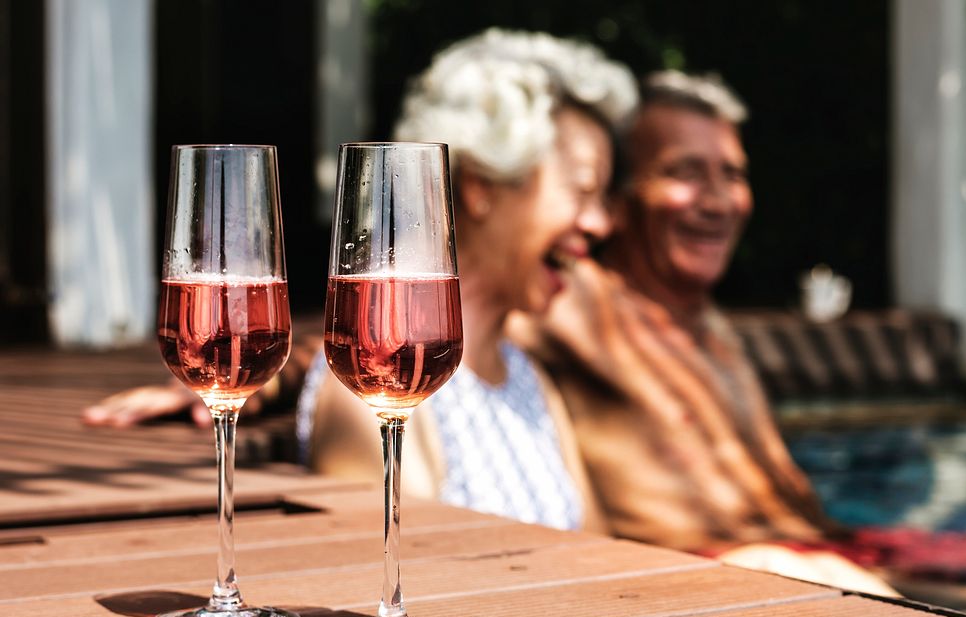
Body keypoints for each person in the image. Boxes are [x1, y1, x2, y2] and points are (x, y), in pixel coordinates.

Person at [85, 28, 639, 534]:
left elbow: (597, 553)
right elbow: (397, 577)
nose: (602, 222)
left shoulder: (528, 380)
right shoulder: (378, 383)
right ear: (481, 188)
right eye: (583, 190)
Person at [512, 71, 898, 595]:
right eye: (685, 173)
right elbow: (487, 265)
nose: (718, 202)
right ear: (618, 201)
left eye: (733, 175)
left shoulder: (713, 329)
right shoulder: (571, 300)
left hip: (828, 552)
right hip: (714, 584)